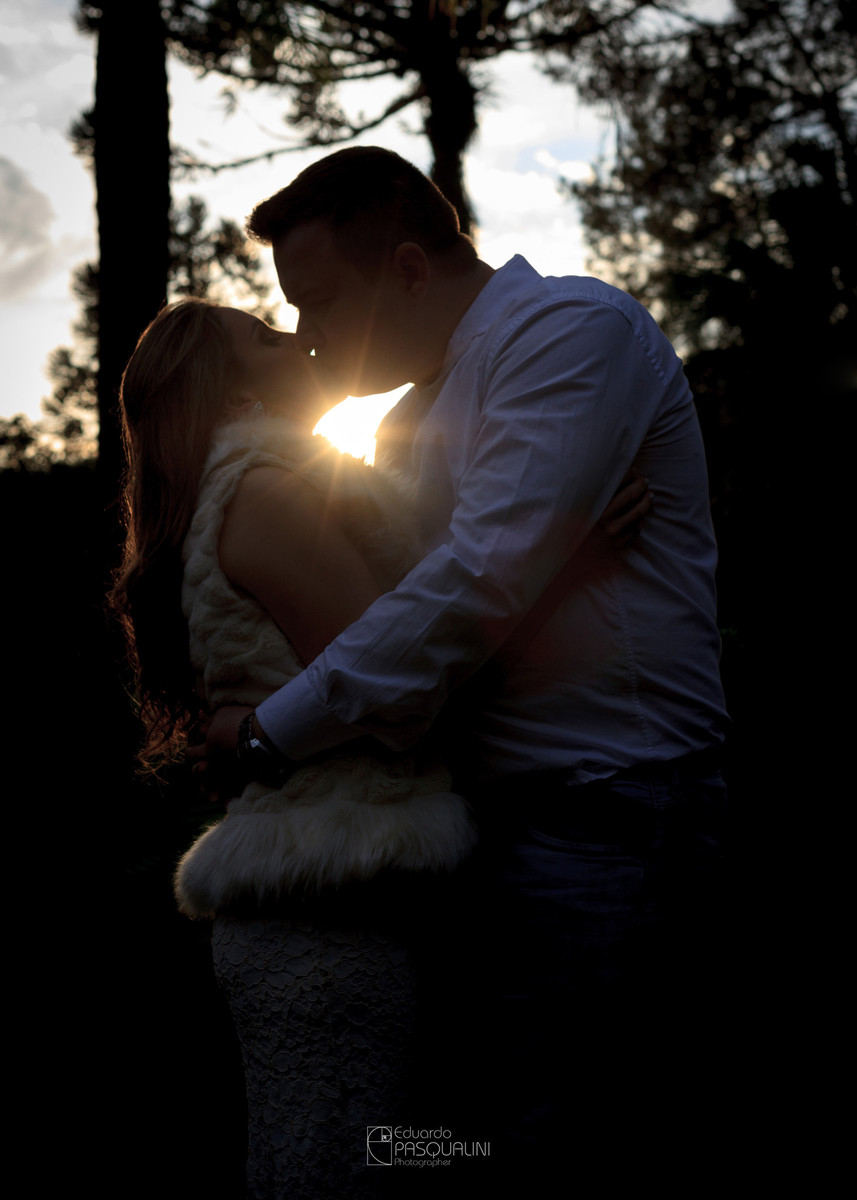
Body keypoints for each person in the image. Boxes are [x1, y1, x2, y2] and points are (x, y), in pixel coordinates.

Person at [197, 146, 730, 1181]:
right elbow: (423, 605)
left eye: (316, 305)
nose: (305, 344)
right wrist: (539, 566)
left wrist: (271, 731)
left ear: (405, 268)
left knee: (563, 1139)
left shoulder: (568, 332)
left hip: (607, 815)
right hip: (475, 830)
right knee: (456, 1140)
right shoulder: (400, 421)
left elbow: (472, 584)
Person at [111, 297, 648, 1196]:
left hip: (337, 899)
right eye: (264, 338)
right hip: (325, 920)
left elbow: (383, 655)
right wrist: (563, 561)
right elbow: (394, 686)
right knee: (352, 1167)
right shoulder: (271, 492)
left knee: (405, 1152)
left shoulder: (266, 490)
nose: (298, 336)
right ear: (235, 399)